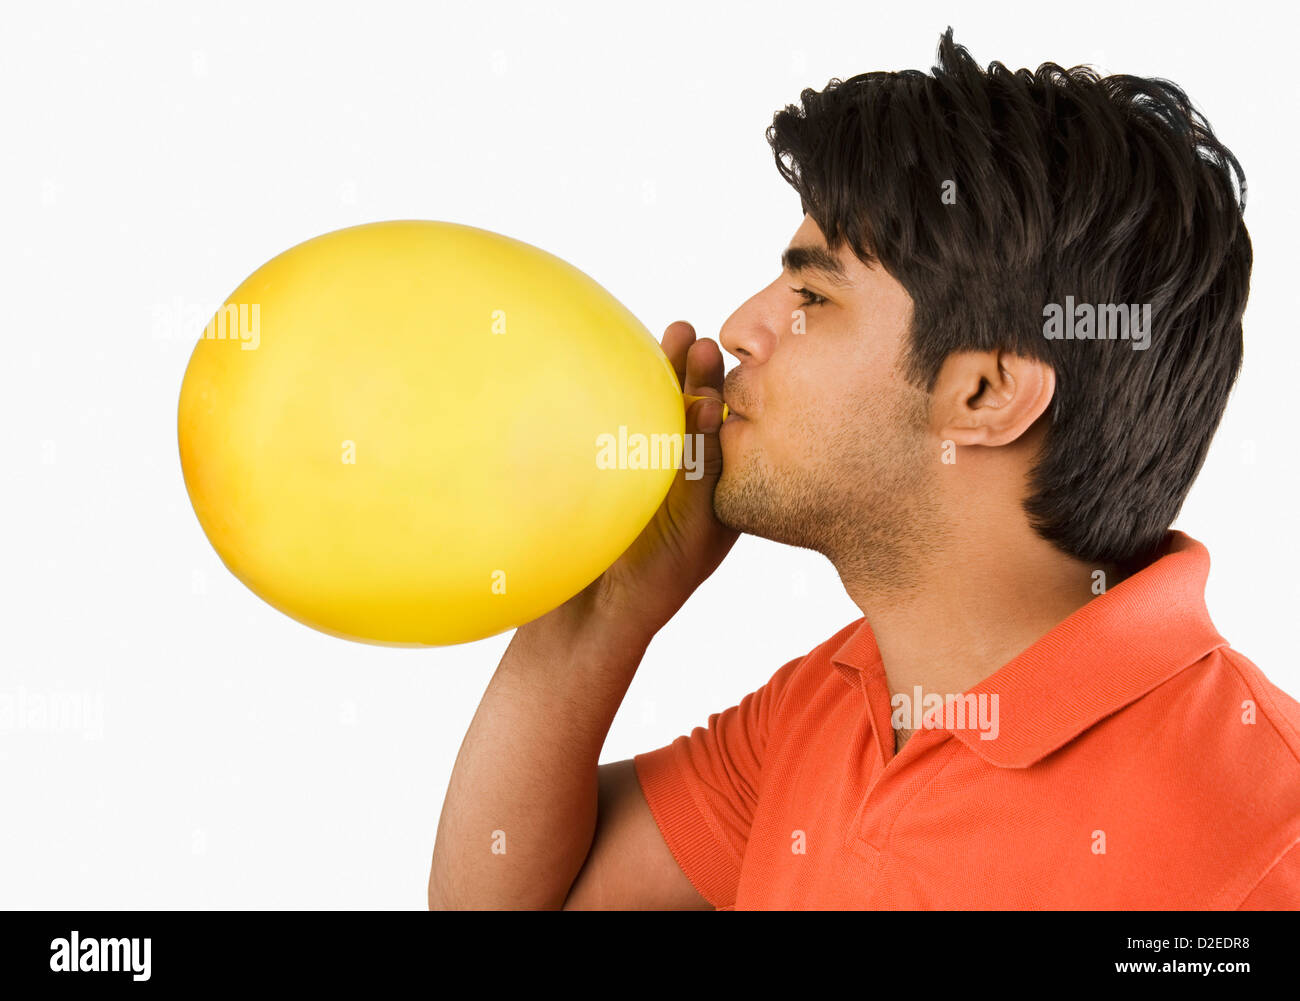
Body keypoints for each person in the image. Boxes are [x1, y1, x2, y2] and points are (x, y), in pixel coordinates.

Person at [428, 28, 1300, 909]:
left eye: (812, 297)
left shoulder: (1267, 841)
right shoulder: (835, 702)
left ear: (987, 392)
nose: (739, 329)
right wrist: (605, 608)